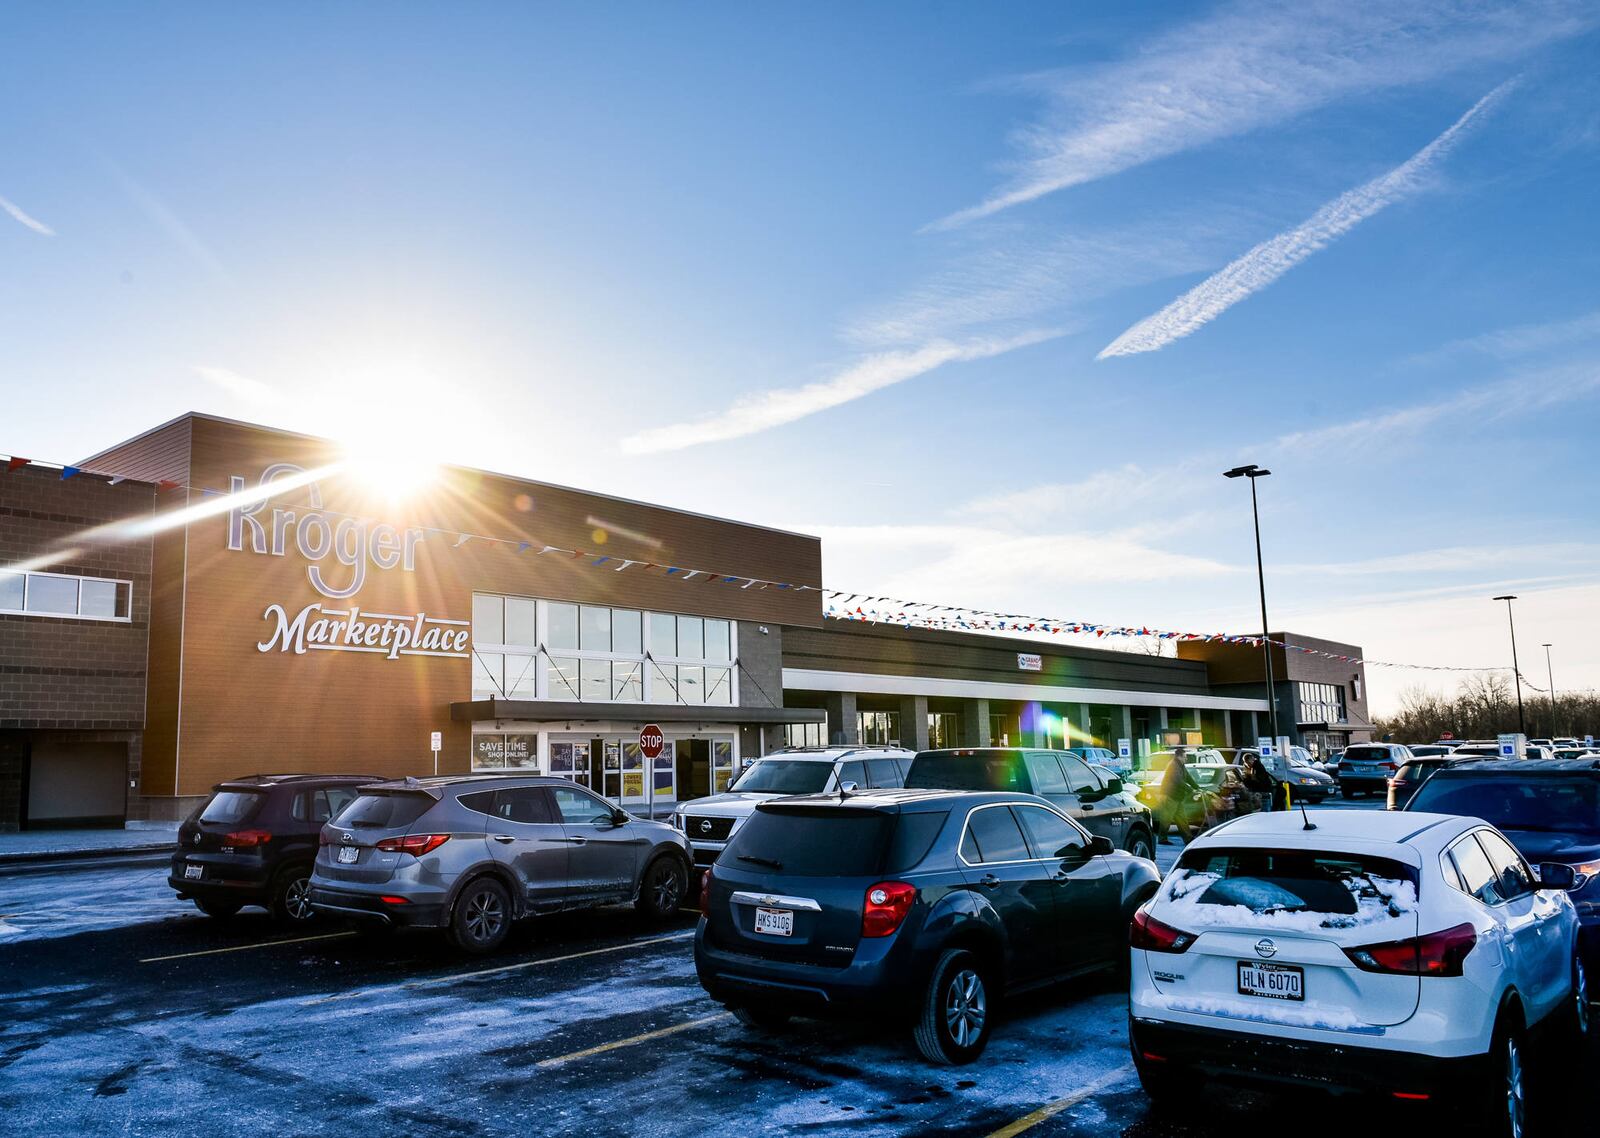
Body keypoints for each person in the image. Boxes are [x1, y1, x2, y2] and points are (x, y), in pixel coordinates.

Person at [1155, 750, 1199, 843]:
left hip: (1177, 797)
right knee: (1166, 819)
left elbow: (1188, 777)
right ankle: (1162, 839)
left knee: (1182, 819)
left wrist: (1197, 787)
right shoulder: (1173, 765)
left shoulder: (1181, 765)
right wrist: (1190, 789)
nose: (1186, 758)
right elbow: (1177, 780)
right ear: (1179, 756)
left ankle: (1188, 838)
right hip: (1170, 795)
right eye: (1184, 756)